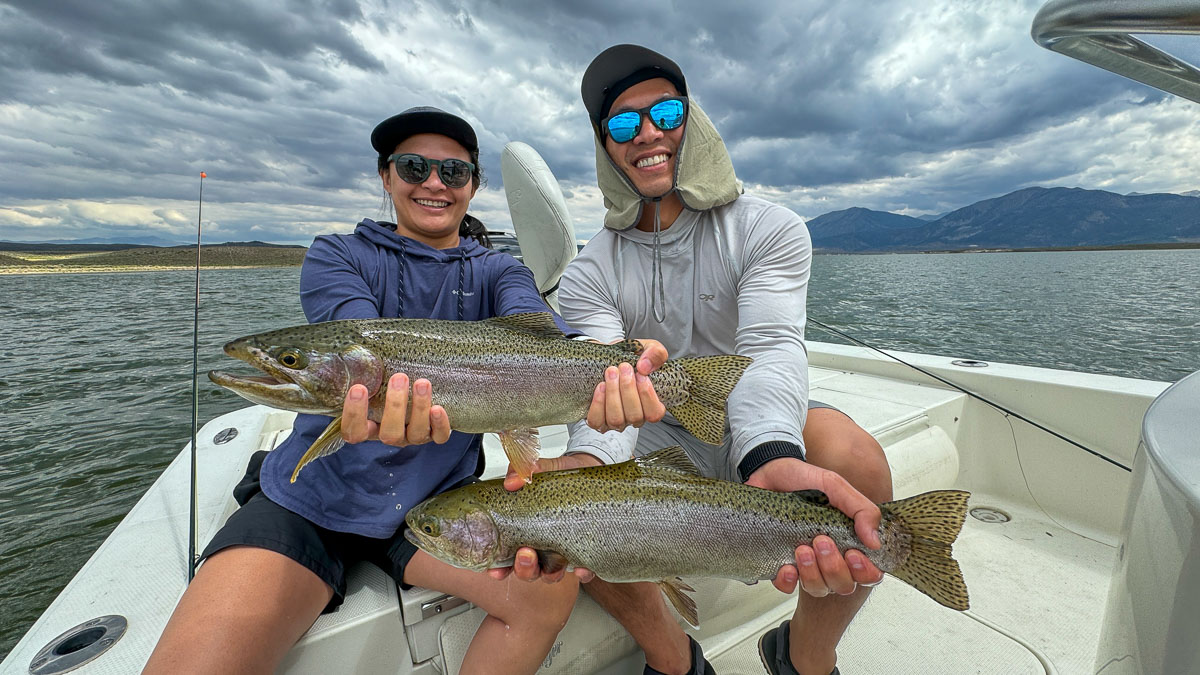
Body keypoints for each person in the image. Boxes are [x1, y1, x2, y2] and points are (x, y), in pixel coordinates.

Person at [145, 107, 598, 675]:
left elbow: (539, 332)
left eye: (453, 173)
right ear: (386, 177)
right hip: (311, 499)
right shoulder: (338, 254)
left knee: (547, 595)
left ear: (473, 188)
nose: (433, 182)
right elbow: (356, 335)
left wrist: (617, 370)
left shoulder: (500, 272)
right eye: (414, 166)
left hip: (437, 506)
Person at [497, 46, 895, 675]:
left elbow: (769, 349)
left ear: (694, 119)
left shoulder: (770, 228)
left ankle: (805, 655)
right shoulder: (589, 273)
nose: (648, 133)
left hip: (754, 419)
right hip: (652, 429)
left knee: (860, 463)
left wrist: (771, 454)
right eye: (624, 124)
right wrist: (590, 457)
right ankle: (675, 656)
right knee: (564, 511)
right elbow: (606, 386)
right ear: (607, 148)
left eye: (666, 111)